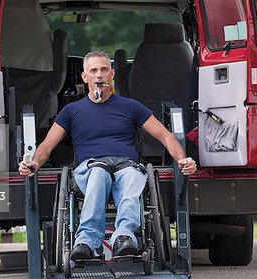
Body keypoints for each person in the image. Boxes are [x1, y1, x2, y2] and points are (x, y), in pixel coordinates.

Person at [19, 51, 197, 261]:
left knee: (132, 175)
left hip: (125, 166)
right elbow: (47, 146)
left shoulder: (131, 107)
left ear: (112, 74)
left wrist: (182, 159)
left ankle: (124, 236)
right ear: (85, 77)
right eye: (93, 70)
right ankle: (86, 241)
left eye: (104, 70)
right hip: (91, 168)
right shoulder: (71, 111)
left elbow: (166, 137)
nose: (99, 75)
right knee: (99, 173)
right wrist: (33, 164)